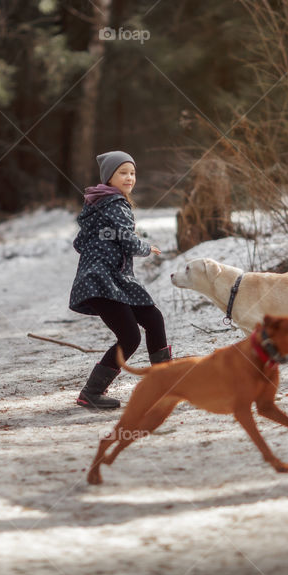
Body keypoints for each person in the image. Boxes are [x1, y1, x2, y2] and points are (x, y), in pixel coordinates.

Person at [69, 150, 171, 409]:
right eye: (122, 173)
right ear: (109, 178)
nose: (129, 178)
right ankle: (92, 392)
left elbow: (81, 242)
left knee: (152, 319)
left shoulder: (98, 204)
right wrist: (146, 247)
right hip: (103, 280)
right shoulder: (115, 203)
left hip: (112, 279)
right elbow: (125, 238)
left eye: (132, 172)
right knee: (130, 336)